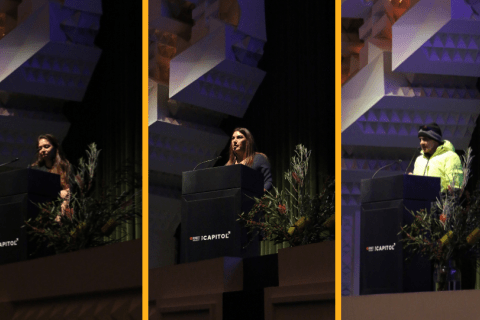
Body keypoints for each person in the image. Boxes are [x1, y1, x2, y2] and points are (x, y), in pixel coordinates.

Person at [411, 123, 463, 192]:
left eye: (425, 139)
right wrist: (411, 180)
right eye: (420, 140)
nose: (421, 143)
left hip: (441, 202)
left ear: (435, 140)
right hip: (419, 202)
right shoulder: (419, 160)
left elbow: (455, 187)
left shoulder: (450, 157)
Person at [31, 134, 73, 219]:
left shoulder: (65, 166)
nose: (42, 150)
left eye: (46, 146)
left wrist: (60, 214)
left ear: (55, 148)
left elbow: (69, 192)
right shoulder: (35, 169)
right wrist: (57, 192)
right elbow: (35, 191)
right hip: (41, 213)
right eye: (40, 148)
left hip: (61, 212)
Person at [225, 127, 273, 192]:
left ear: (248, 141)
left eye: (239, 137)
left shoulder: (259, 158)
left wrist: (258, 195)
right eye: (233, 138)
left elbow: (268, 181)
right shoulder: (229, 165)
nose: (235, 141)